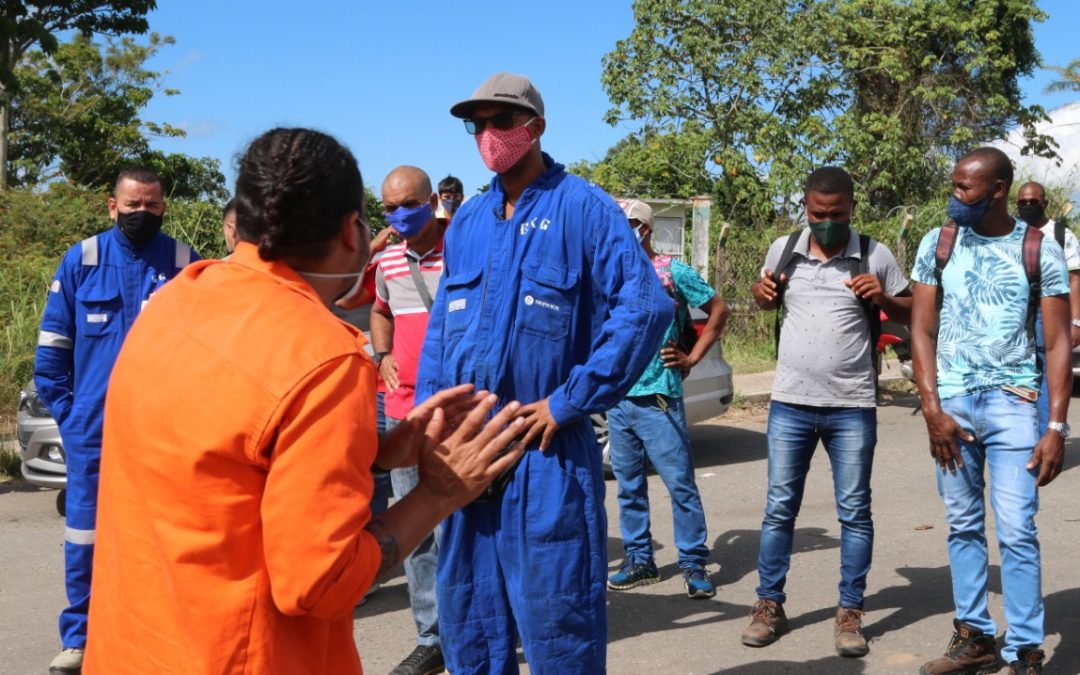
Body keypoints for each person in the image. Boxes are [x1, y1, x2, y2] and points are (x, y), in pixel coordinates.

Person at [82, 127, 528, 675]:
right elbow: (320, 584)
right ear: (351, 229)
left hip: (131, 650)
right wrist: (438, 494)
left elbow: (231, 461)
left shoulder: (175, 302)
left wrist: (376, 450)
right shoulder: (324, 358)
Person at [415, 72, 673, 674]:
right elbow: (439, 336)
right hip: (467, 457)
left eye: (501, 121)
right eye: (477, 124)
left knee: (561, 631)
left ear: (535, 128)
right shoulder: (471, 221)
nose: (488, 134)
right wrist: (429, 423)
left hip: (545, 457)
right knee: (471, 631)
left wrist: (569, 401)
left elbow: (645, 307)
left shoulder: (584, 209)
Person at [34, 167, 200, 675]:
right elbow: (51, 355)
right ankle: (81, 639)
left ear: (164, 207)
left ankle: (158, 634)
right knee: (86, 537)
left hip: (164, 436)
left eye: (151, 206)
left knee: (164, 537)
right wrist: (73, 418)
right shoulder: (81, 260)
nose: (141, 214)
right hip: (94, 432)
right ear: (112, 206)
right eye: (132, 206)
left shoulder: (183, 263)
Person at [911, 148, 1070, 675]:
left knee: (1018, 528)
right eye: (954, 185)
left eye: (966, 189)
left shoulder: (1037, 249)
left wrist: (1055, 426)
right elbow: (922, 329)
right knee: (961, 525)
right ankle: (974, 635)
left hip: (1014, 406)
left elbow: (1057, 345)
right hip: (952, 406)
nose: (955, 197)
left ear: (998, 189)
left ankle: (1024, 649)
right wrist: (932, 408)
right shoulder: (938, 243)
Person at [746, 166, 911, 658]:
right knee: (779, 511)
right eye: (818, 214)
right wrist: (760, 296)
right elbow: (763, 298)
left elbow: (912, 310)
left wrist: (880, 297)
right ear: (805, 207)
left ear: (852, 209)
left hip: (852, 406)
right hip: (790, 403)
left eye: (836, 215)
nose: (826, 223)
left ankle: (850, 613)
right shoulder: (784, 248)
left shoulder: (874, 253)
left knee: (855, 512)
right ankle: (768, 605)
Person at [606, 198, 729, 599]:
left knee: (680, 485)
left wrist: (692, 356)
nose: (622, 230)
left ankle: (694, 563)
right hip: (619, 399)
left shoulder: (672, 271)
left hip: (659, 395)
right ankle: (640, 560)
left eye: (628, 223)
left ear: (646, 227)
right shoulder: (608, 274)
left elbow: (718, 310)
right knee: (628, 486)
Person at [373, 165, 449, 675]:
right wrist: (381, 355)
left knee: (466, 530)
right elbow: (379, 311)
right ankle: (431, 637)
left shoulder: (467, 248)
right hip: (403, 411)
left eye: (408, 205)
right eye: (389, 208)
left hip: (460, 417)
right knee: (416, 534)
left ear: (432, 201)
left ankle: (479, 625)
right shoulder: (386, 261)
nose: (399, 215)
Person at [1015, 181, 1080, 436]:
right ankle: (1024, 437)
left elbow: (1076, 279)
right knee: (1020, 375)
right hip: (1018, 314)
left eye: (1033, 202)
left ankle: (1047, 435)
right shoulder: (1013, 232)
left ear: (1045, 203)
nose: (1028, 206)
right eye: (1022, 202)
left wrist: (1076, 321)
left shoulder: (1062, 234)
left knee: (1048, 373)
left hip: (1049, 313)